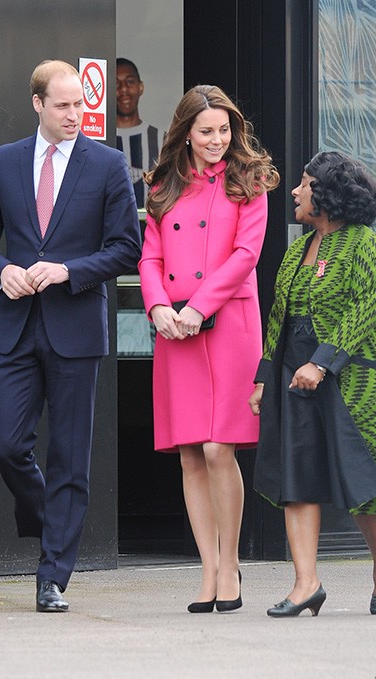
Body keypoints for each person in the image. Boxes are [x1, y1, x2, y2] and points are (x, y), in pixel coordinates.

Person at [0, 60, 141, 613]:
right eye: (63, 105)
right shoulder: (5, 161)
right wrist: (2, 270)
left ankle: (52, 576)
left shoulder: (108, 165)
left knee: (70, 457)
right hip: (15, 326)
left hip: (76, 328)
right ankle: (52, 527)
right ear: (38, 104)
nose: (75, 115)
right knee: (7, 444)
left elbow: (126, 248)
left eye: (80, 105)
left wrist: (70, 270)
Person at [249, 151, 376, 618]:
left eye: (304, 183)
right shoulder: (298, 250)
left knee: (365, 483)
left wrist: (321, 364)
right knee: (296, 479)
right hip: (294, 377)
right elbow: (279, 317)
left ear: (329, 195)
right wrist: (262, 378)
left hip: (354, 382)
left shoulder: (368, 247)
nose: (294, 191)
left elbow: (362, 316)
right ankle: (306, 583)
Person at [138, 85, 280, 613]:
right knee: (190, 452)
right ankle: (208, 569)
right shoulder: (163, 184)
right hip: (175, 326)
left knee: (221, 448)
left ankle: (231, 563)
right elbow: (148, 257)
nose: (217, 140)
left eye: (224, 130)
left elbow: (247, 254)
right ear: (186, 133)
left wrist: (199, 305)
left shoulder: (251, 181)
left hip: (228, 324)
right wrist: (157, 308)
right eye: (206, 132)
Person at [116, 58, 165, 209]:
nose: (124, 89)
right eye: (116, 84)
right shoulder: (100, 141)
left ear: (140, 87)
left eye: (130, 82)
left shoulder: (163, 140)